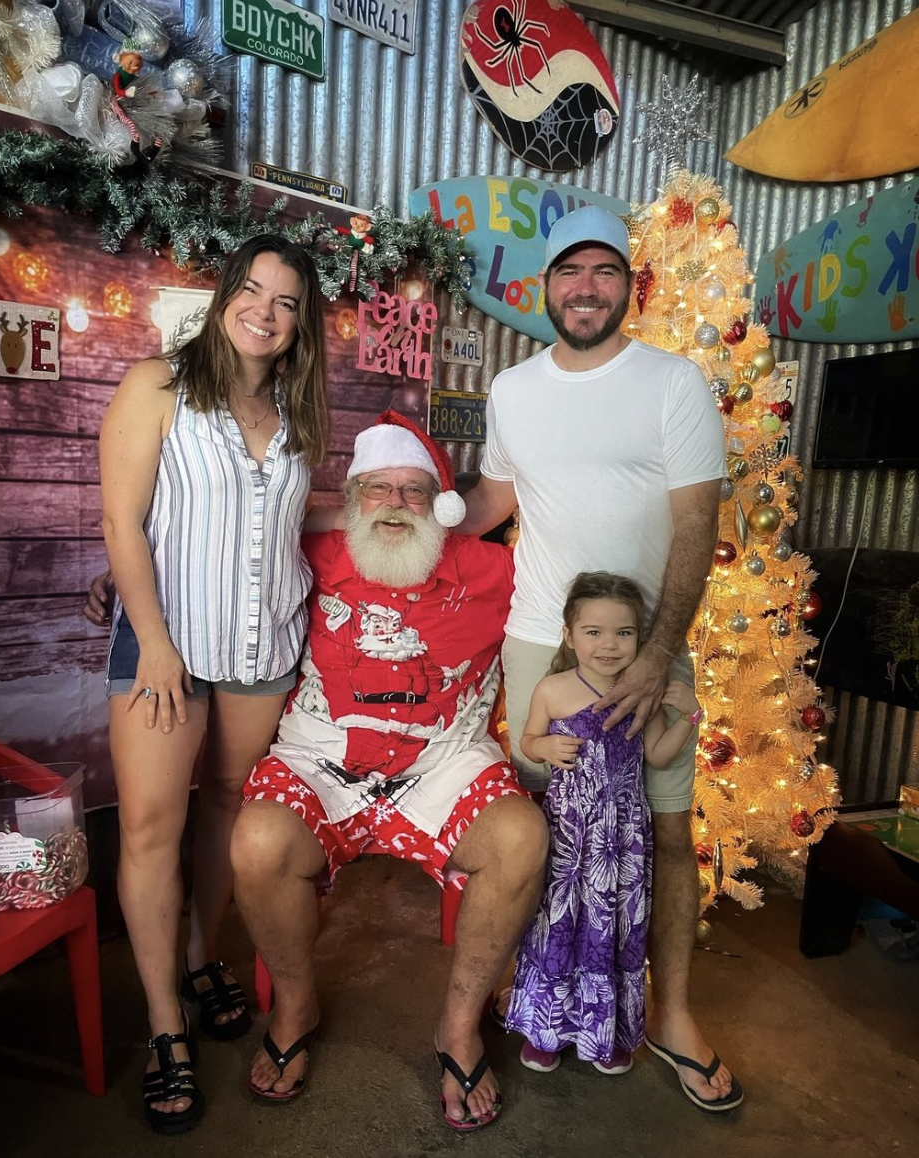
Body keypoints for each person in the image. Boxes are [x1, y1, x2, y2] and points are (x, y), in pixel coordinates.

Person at [458, 204, 742, 1111]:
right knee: (538, 830)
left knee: (662, 828)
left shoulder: (674, 383)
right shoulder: (513, 392)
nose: (585, 288)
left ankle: (671, 1014)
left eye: (604, 272)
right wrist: (379, 511)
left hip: (645, 645)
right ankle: (541, 989)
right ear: (545, 286)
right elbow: (489, 500)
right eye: (570, 272)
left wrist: (661, 652)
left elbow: (699, 521)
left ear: (630, 284)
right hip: (540, 637)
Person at [230, 410, 548, 1131]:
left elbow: (581, 570)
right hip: (323, 760)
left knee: (521, 840)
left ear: (443, 503)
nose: (396, 504)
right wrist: (118, 587)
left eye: (414, 490)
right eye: (377, 489)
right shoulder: (306, 550)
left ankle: (459, 1027)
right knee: (255, 842)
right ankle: (296, 1004)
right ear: (349, 499)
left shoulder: (499, 570)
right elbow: (224, 539)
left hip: (444, 764)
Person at [97, 233, 329, 1134]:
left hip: (263, 645)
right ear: (226, 292)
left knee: (228, 804)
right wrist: (151, 638)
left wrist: (392, 501)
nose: (264, 310)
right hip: (170, 649)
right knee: (153, 827)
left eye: (285, 300)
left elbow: (295, 513)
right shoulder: (156, 385)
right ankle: (165, 1028)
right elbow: (122, 519)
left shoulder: (299, 413)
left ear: (299, 321)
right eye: (253, 289)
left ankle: (201, 960)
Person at [507, 571, 704, 1081]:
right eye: (593, 632)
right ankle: (544, 1031)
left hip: (623, 842)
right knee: (558, 926)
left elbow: (658, 756)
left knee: (613, 931)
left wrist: (689, 717)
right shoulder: (553, 689)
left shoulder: (641, 692)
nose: (608, 645)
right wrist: (545, 748)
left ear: (641, 639)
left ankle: (608, 1031)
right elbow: (527, 740)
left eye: (624, 633)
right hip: (570, 836)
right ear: (570, 636)